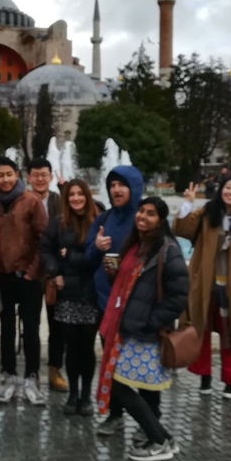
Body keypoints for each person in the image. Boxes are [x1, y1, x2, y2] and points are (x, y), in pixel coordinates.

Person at [97, 197, 189, 461]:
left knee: (120, 386)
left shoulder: (167, 250)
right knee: (122, 385)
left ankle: (159, 440)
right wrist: (113, 274)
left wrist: (150, 321)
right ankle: (162, 437)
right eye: (141, 211)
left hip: (145, 334)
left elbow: (178, 296)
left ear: (160, 220)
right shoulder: (137, 246)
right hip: (129, 328)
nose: (142, 216)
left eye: (150, 213)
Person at [174, 176, 231, 399]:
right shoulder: (207, 213)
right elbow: (182, 230)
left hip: (229, 287)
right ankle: (203, 375)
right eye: (228, 187)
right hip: (204, 283)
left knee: (230, 333)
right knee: (200, 329)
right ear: (221, 190)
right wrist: (188, 204)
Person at [0, 156, 49, 406]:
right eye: (1, 175)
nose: (6, 179)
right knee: (7, 329)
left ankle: (32, 378)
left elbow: (43, 238)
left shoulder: (31, 200)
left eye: (9, 174)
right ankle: (9, 376)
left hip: (28, 277)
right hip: (3, 277)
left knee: (31, 330)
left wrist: (33, 271)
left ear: (17, 175)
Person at [84, 164, 144, 435]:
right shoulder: (103, 219)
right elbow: (87, 258)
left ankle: (150, 418)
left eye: (122, 185)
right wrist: (96, 249)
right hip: (106, 303)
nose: (116, 190)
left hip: (137, 305)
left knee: (142, 360)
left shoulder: (145, 217)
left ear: (134, 188)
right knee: (111, 360)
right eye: (112, 185)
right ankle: (116, 414)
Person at [39, 179, 100, 415]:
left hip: (91, 293)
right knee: (72, 348)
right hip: (67, 294)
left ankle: (86, 397)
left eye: (79, 194)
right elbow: (45, 248)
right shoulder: (59, 223)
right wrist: (54, 271)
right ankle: (73, 394)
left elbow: (97, 254)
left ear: (87, 195)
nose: (75, 198)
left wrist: (70, 256)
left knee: (87, 347)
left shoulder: (98, 218)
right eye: (71, 194)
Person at [26, 156, 67, 394]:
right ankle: (32, 372)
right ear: (29, 178)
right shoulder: (22, 200)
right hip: (31, 272)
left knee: (57, 324)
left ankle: (54, 368)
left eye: (44, 174)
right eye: (35, 175)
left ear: (50, 177)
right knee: (30, 325)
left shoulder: (60, 201)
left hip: (55, 271)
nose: (40, 179)